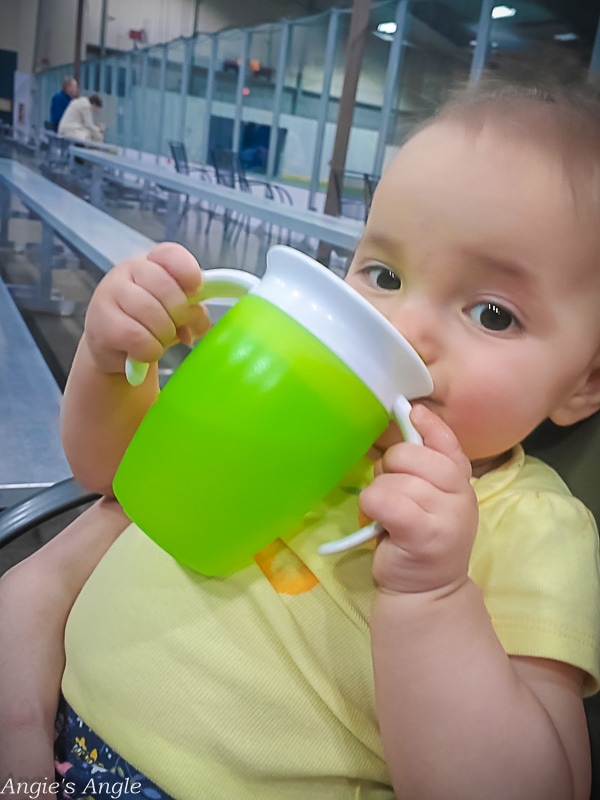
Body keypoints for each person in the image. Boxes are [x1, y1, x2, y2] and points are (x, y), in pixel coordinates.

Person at [2, 82, 600, 799]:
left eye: (494, 315)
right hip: (55, 738)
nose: (404, 329)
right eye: (383, 273)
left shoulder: (529, 523)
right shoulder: (294, 393)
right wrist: (111, 367)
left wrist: (434, 598)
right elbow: (115, 476)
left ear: (584, 384)